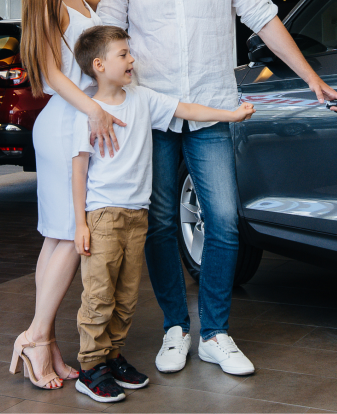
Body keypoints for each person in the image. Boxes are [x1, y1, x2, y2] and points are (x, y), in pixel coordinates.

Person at [97, 0, 337, 376]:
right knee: (160, 225)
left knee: (226, 222)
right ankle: (174, 327)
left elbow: (264, 18)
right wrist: (101, 105)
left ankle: (214, 332)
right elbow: (105, 36)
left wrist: (310, 78)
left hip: (212, 110)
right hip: (152, 114)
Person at [69, 25, 254, 402]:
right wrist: (80, 223)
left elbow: (186, 109)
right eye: (124, 54)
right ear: (100, 65)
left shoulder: (142, 98)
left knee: (126, 296)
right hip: (103, 216)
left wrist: (230, 115)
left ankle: (112, 357)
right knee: (99, 294)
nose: (132, 59)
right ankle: (90, 367)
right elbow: (78, 170)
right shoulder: (89, 114)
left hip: (137, 215)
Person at [10, 0, 141, 390]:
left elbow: (125, 6)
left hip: (80, 120)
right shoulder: (45, 3)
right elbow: (51, 75)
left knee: (56, 238)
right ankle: (35, 338)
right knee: (68, 236)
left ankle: (42, 339)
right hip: (67, 123)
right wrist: (94, 110)